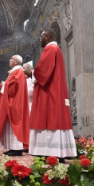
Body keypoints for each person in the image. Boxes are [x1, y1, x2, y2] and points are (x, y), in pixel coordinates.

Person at [24, 28, 76, 162]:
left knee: (49, 118)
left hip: (50, 92)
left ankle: (51, 151)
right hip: (56, 90)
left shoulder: (50, 49)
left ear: (47, 37)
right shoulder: (56, 49)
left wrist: (31, 73)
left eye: (41, 37)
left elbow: (43, 70)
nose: (40, 40)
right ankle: (59, 151)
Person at [0, 55, 29, 156]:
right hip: (11, 101)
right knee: (9, 127)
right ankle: (12, 148)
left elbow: (13, 86)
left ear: (16, 61)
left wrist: (4, 84)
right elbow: (9, 85)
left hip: (14, 103)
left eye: (11, 59)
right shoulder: (15, 72)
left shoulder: (18, 71)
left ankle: (17, 149)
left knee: (13, 126)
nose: (9, 60)